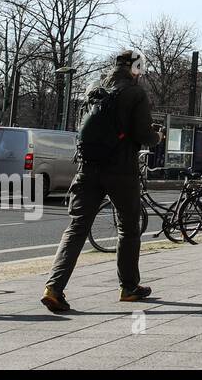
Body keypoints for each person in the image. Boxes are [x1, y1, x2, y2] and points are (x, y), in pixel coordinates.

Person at [42, 49, 156, 312]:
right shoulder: (135, 93)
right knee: (128, 227)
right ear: (136, 68)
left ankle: (54, 288)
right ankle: (128, 287)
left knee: (77, 227)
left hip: (87, 167)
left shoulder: (94, 90)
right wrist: (156, 137)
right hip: (121, 170)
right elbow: (143, 135)